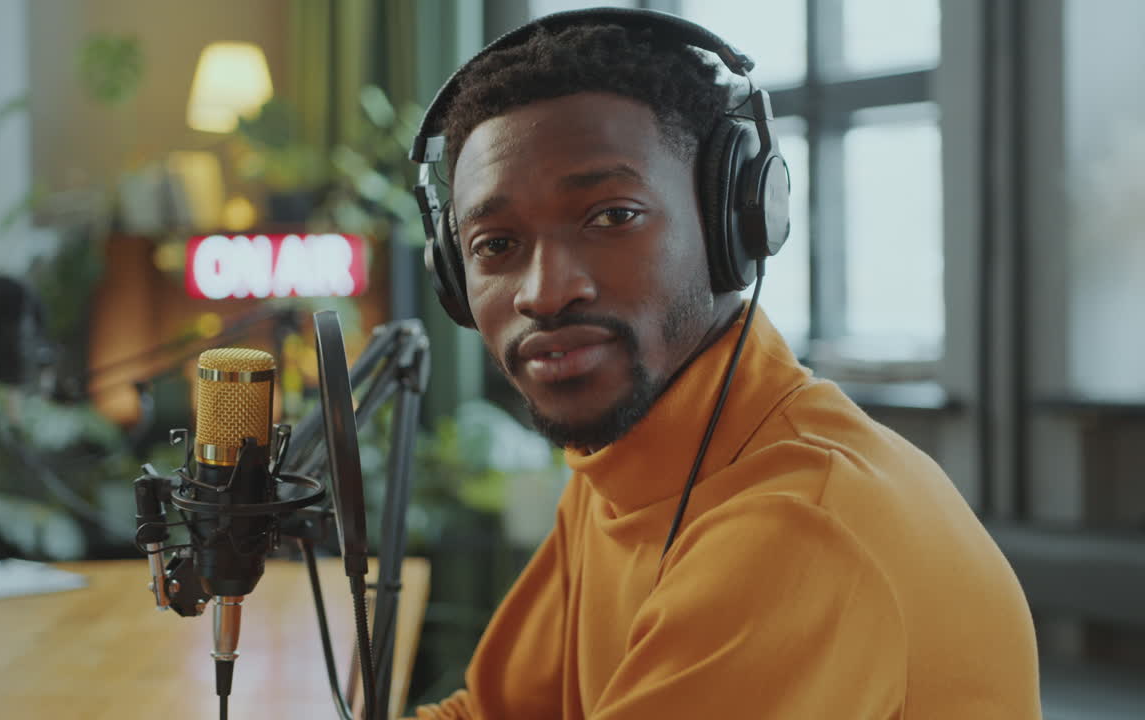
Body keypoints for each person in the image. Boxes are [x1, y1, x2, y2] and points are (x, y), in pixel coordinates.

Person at [408, 8, 1041, 719]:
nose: (546, 292)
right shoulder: (625, 462)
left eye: (612, 215)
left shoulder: (797, 532)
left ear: (732, 222)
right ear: (454, 277)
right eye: (495, 244)